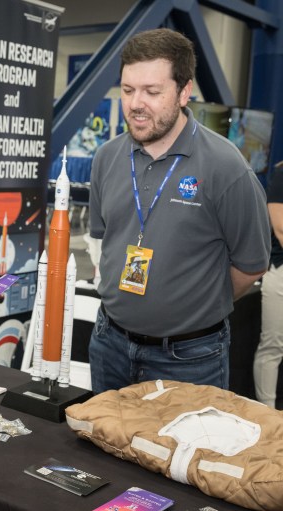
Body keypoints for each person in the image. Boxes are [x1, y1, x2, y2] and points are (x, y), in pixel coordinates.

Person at [88, 28, 271, 394]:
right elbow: (103, 238)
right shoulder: (107, 157)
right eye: (127, 90)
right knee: (100, 450)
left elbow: (251, 265)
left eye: (152, 92)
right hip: (110, 343)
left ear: (184, 91)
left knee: (181, 452)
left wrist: (191, 305)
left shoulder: (226, 167)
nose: (136, 103)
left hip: (190, 357)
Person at [253, 164, 283, 409]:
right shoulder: (282, 173)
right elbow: (280, 228)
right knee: (273, 345)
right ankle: (268, 412)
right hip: (280, 270)